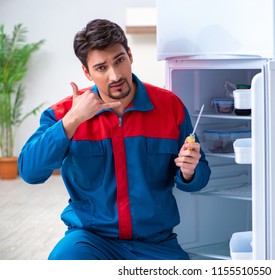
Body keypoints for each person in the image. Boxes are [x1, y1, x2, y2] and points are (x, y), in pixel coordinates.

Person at [18, 19, 211, 260]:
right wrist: (72, 121)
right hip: (90, 241)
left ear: (130, 55)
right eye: (101, 68)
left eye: (119, 60)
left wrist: (190, 172)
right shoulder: (62, 114)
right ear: (87, 72)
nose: (115, 75)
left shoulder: (170, 107)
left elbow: (199, 176)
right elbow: (29, 172)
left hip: (156, 243)